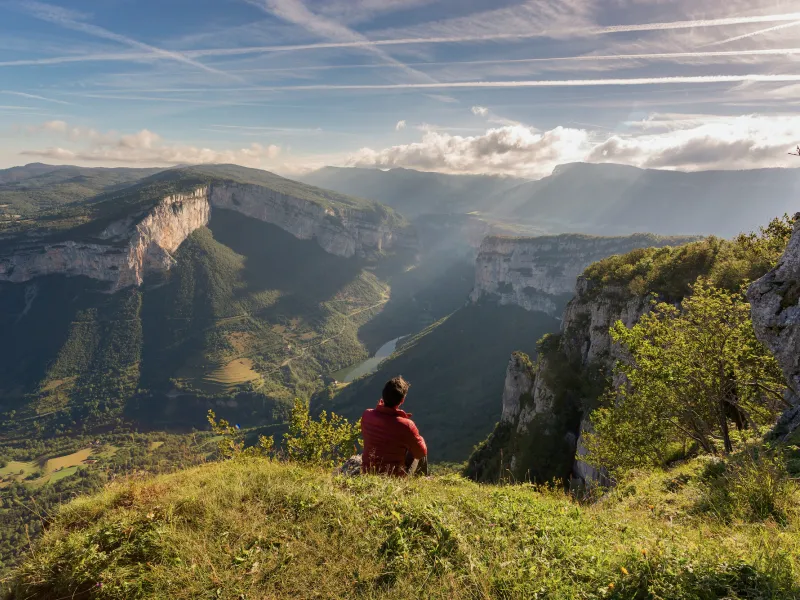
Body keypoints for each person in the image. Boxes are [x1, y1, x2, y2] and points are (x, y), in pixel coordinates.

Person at [361, 376, 428, 476]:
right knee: (420, 448)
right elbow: (420, 453)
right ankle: (419, 483)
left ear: (383, 396)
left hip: (369, 472)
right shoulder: (406, 425)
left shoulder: (367, 415)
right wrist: (417, 437)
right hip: (393, 477)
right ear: (402, 401)